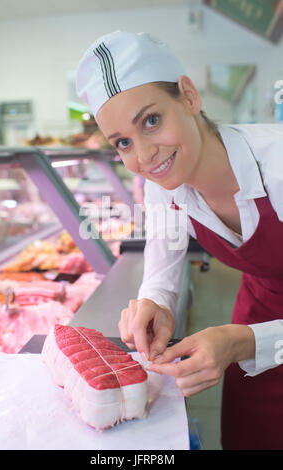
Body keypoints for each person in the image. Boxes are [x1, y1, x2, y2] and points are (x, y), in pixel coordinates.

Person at [76, 31, 283, 450]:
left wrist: (244, 341)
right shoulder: (163, 186)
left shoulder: (276, 165)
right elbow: (162, 271)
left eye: (151, 121)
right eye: (123, 143)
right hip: (259, 311)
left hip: (250, 335)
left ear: (188, 96)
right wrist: (154, 306)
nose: (144, 156)